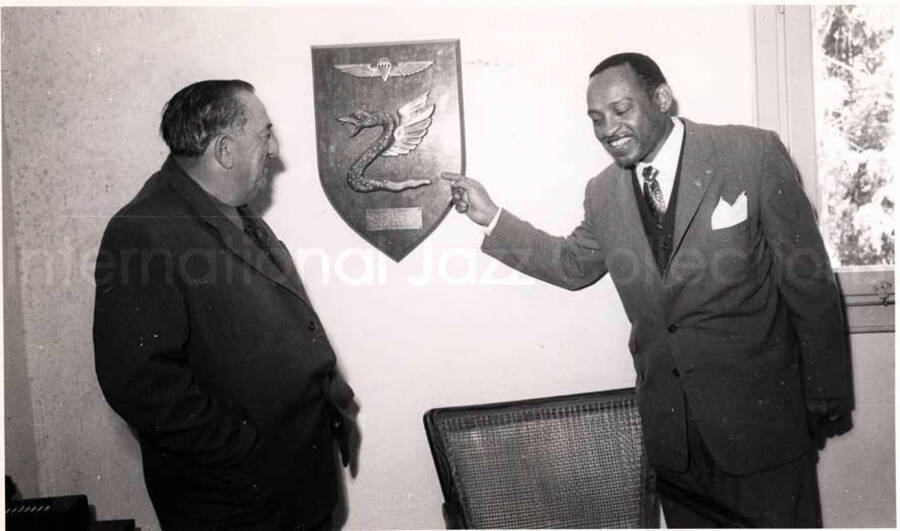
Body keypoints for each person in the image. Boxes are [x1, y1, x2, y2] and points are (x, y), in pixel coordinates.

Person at [443, 52, 852, 527]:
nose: (607, 129)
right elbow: (572, 265)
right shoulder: (602, 193)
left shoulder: (751, 154)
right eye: (596, 119)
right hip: (674, 443)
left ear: (660, 98)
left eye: (621, 110)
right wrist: (491, 216)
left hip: (764, 429)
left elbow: (810, 281)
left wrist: (826, 391)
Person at [93, 80, 356, 530]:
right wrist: (244, 451)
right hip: (239, 505)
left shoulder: (227, 208)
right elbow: (141, 386)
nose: (273, 151)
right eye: (264, 135)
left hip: (298, 488)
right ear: (225, 151)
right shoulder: (142, 229)